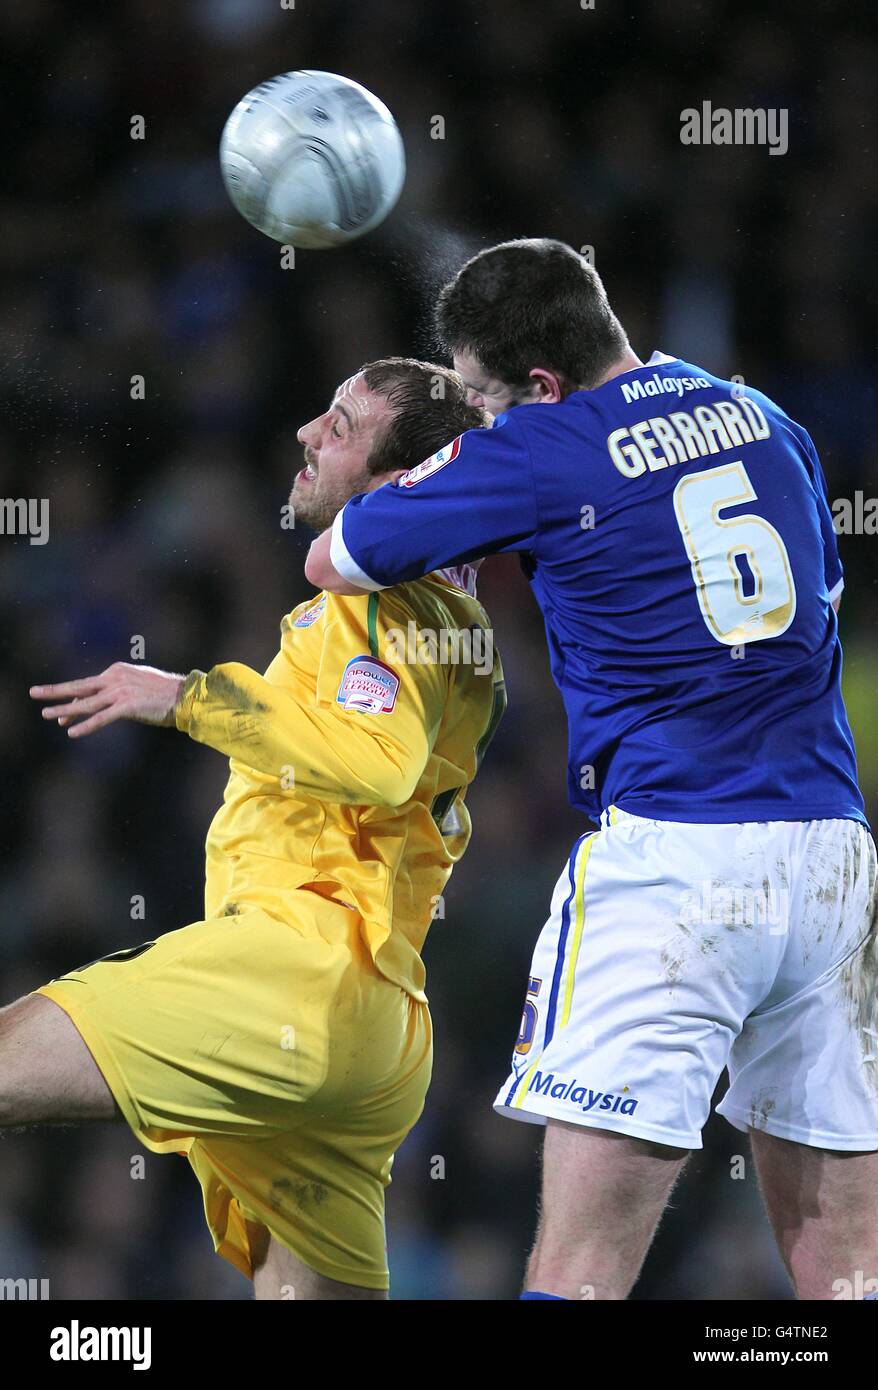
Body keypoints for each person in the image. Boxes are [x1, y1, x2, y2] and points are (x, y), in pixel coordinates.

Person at [306, 240, 878, 1302]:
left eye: (479, 395)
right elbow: (821, 600)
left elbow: (337, 554)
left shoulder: (540, 446)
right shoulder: (762, 416)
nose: (475, 415)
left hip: (672, 863)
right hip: (831, 859)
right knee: (847, 1273)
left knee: (578, 1272)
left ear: (539, 385)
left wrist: (460, 469)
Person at [13, 357, 505, 1300]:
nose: (306, 434)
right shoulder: (459, 621)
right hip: (380, 1028)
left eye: (341, 424)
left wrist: (188, 698)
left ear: (400, 482)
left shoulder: (387, 598)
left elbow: (377, 759)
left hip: (296, 973)